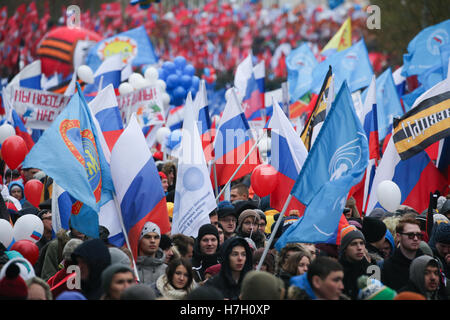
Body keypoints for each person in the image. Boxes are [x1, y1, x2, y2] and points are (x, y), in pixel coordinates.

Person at [382, 216, 424, 291]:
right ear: (398, 236)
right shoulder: (387, 266)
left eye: (418, 235)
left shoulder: (426, 262)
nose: (415, 238)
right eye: (410, 235)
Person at [338, 225, 376, 300]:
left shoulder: (372, 268)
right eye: (354, 244)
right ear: (345, 248)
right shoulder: (337, 270)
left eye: (362, 243)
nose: (359, 248)